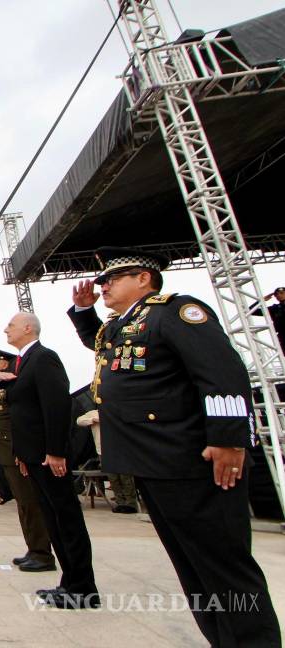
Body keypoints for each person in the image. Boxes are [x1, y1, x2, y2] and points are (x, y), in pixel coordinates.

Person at [69, 246, 280, 642]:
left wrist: (228, 440)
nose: (104, 286)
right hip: (154, 462)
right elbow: (104, 349)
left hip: (191, 461)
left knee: (224, 569)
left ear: (144, 278)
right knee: (193, 568)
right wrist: (83, 312)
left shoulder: (176, 312)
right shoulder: (126, 324)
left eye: (112, 278)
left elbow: (222, 372)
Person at [3, 312, 98, 609]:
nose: (7, 329)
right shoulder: (24, 361)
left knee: (66, 519)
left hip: (49, 457)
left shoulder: (44, 358)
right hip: (34, 456)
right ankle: (69, 583)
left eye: (12, 325)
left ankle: (83, 588)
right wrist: (22, 453)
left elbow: (57, 407)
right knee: (54, 520)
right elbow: (25, 414)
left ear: (28, 328)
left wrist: (55, 451)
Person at [0, 347, 56, 573]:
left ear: (4, 363)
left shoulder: (15, 383)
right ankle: (33, 549)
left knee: (30, 503)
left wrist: (23, 452)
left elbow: (22, 421)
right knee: (23, 504)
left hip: (16, 451)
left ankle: (42, 554)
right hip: (6, 452)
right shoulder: (0, 383)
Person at [75, 409, 137, 513]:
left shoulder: (116, 411)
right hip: (103, 450)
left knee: (125, 476)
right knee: (113, 477)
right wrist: (93, 420)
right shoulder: (94, 413)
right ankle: (120, 502)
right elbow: (79, 421)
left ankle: (131, 503)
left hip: (120, 448)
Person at [250, 286, 285, 352]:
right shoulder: (275, 309)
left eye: (281, 293)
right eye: (276, 294)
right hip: (283, 336)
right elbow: (251, 311)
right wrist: (261, 301)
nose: (279, 295)